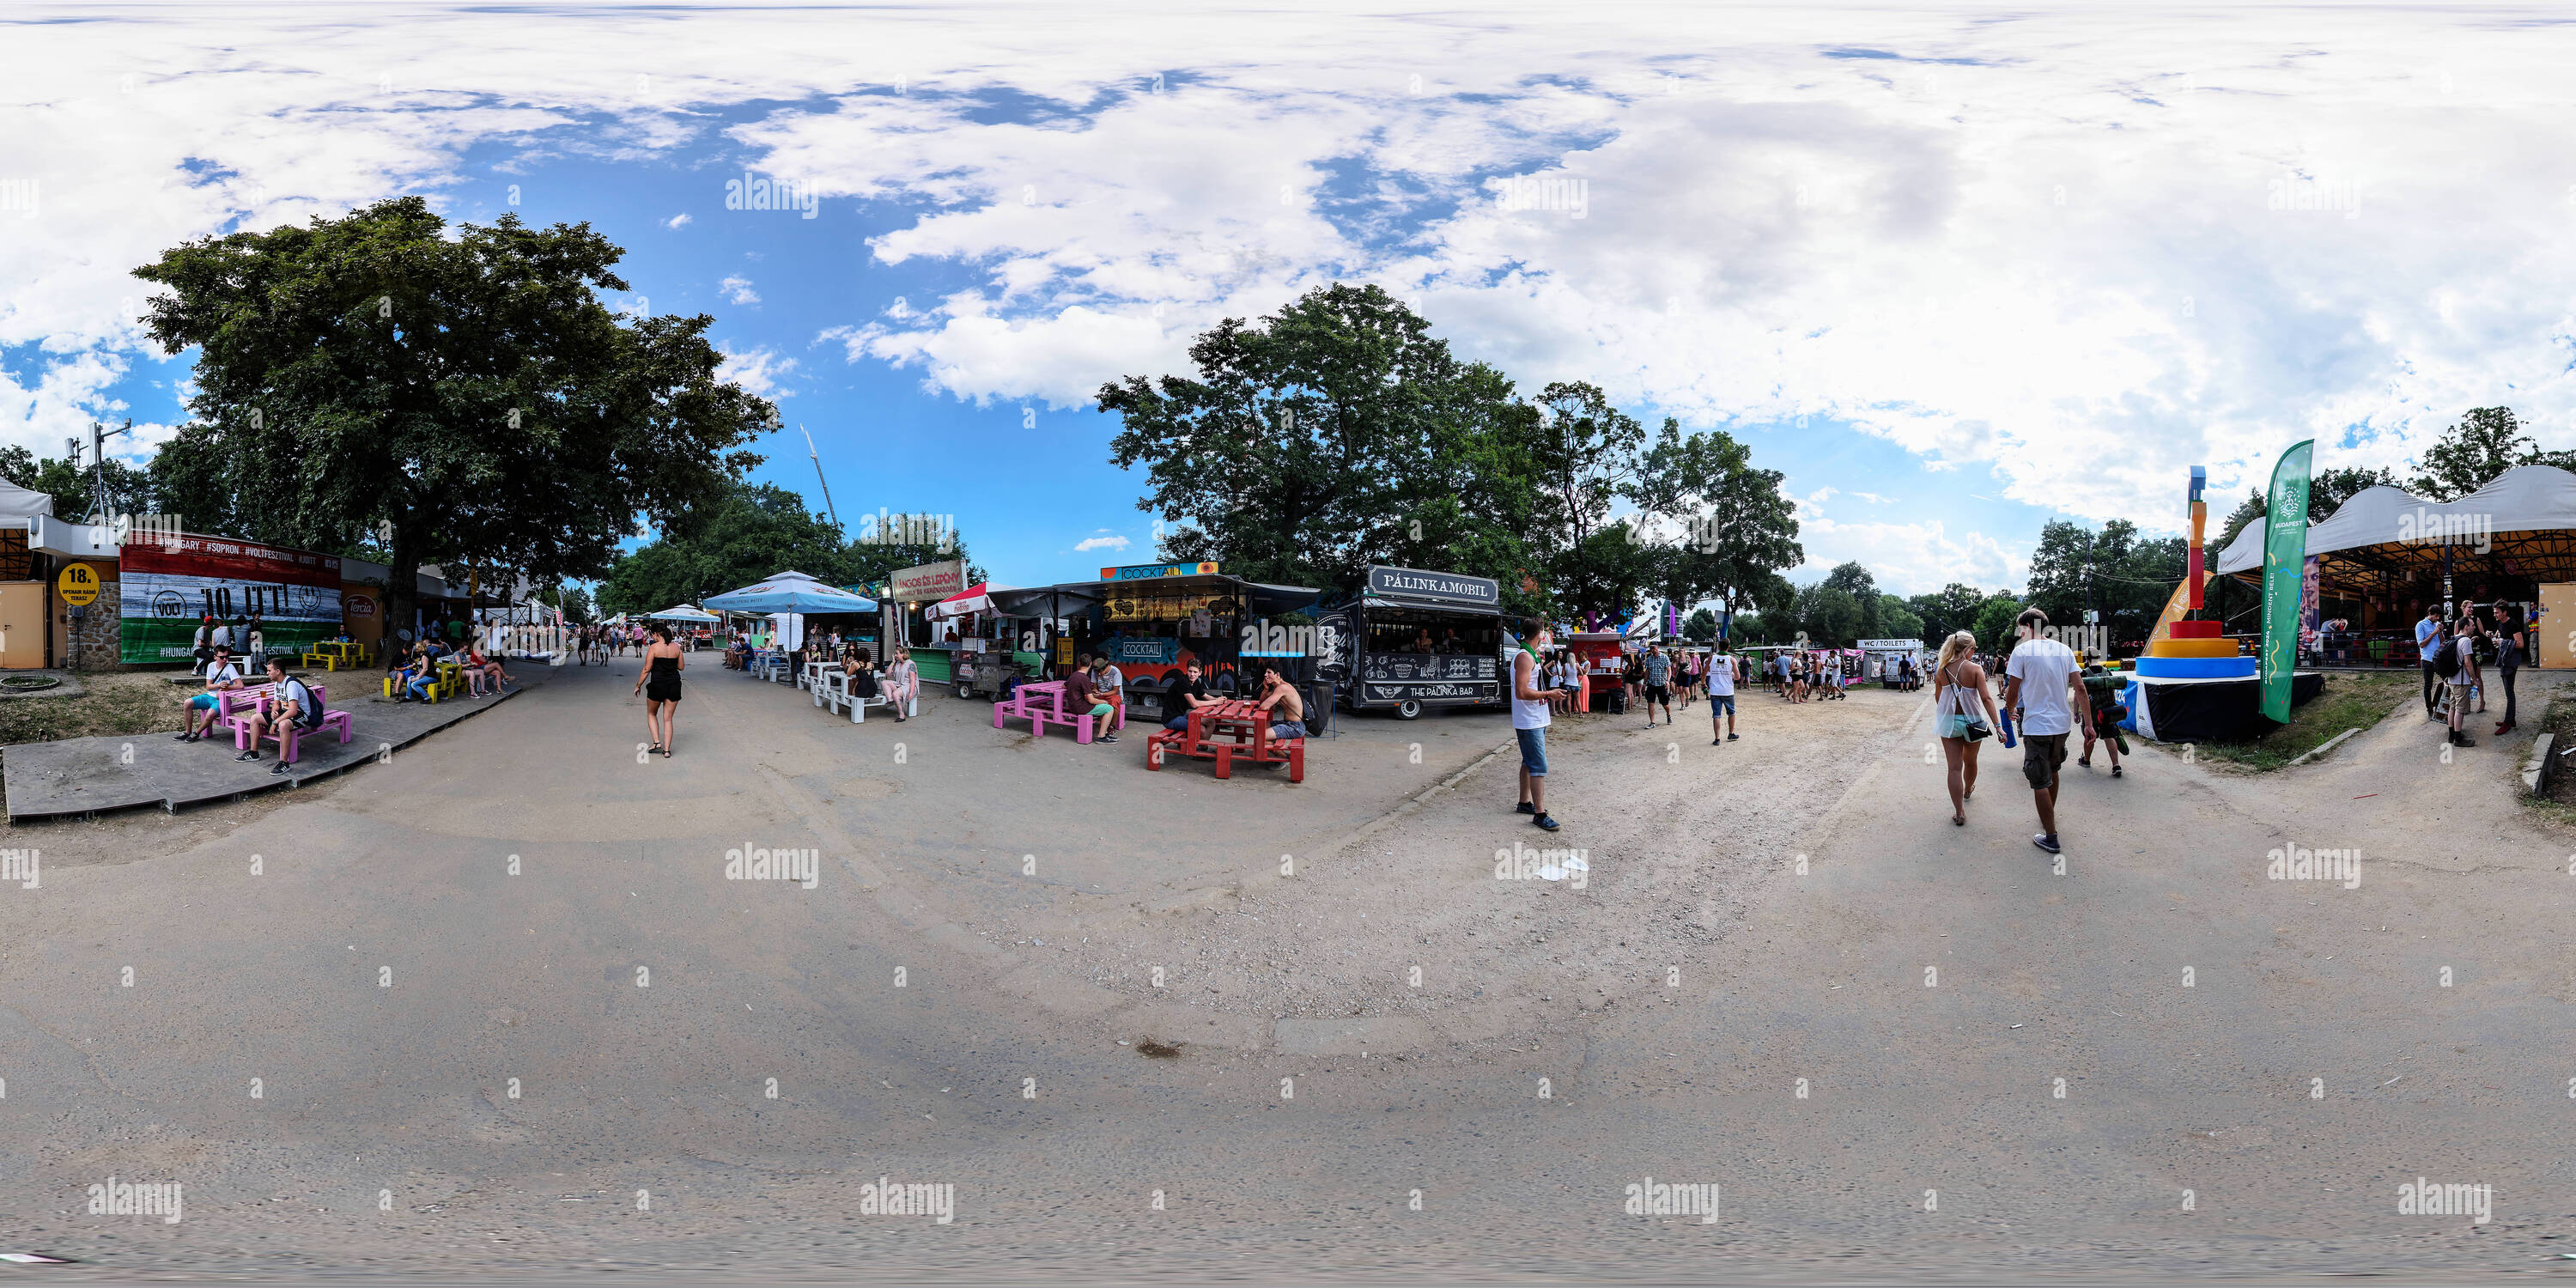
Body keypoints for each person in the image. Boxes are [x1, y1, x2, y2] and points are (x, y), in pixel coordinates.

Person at [2002, 608, 2089, 856]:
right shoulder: (2064, 650)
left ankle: (2051, 837)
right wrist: (2089, 724)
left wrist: (2009, 710)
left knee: (2038, 779)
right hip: (2061, 725)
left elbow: (2013, 689)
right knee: (2053, 769)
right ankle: (2048, 815)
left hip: (2037, 725)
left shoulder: (2021, 651)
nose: (2019, 632)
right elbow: (2080, 688)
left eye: (2021, 628)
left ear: (2029, 626)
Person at [1932, 630, 2000, 826]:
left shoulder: (1941, 669)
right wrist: (1998, 726)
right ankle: (1968, 789)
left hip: (1950, 722)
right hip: (1975, 722)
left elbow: (1939, 699)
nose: (1974, 652)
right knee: (1971, 762)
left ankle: (1959, 812)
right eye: (1974, 649)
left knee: (1954, 768)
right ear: (1968, 649)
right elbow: (1987, 698)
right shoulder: (1975, 669)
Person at [1511, 619, 1561, 831]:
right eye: (1544, 631)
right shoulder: (1524, 657)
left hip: (1536, 719)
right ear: (1539, 633)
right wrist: (1550, 694)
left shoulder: (1530, 655)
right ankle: (1540, 814)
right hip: (1529, 721)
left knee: (1528, 762)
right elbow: (1521, 692)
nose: (1545, 635)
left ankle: (1525, 802)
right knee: (1539, 765)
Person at [234, 658, 324, 774]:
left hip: (302, 715)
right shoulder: (277, 683)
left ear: (278, 671)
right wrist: (274, 711)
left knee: (283, 724)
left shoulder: (291, 684)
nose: (267, 673)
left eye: (269, 670)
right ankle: (253, 753)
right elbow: (276, 703)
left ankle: (284, 763)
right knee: (255, 718)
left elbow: (293, 711)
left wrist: (275, 722)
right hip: (285, 712)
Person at [176, 645, 247, 742]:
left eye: (227, 657)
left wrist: (226, 688)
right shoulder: (211, 666)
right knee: (187, 703)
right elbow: (208, 686)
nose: (225, 659)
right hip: (209, 696)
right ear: (215, 657)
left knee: (210, 714)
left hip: (221, 699)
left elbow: (240, 685)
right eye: (222, 657)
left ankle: (196, 733)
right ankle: (187, 732)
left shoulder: (229, 667)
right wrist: (219, 685)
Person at [634, 623, 683, 758]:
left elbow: (646, 669)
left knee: (651, 713)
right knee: (668, 719)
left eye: (652, 635)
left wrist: (638, 685)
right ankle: (667, 750)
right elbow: (681, 667)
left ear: (656, 633)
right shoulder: (676, 647)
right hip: (674, 684)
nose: (652, 637)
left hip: (657, 684)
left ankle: (657, 742)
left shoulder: (654, 648)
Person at [2075, 663, 2128, 777]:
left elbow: (2078, 693)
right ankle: (2116, 765)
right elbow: (2112, 690)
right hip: (2107, 711)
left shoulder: (2084, 673)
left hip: (2091, 712)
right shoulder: (2107, 672)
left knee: (2089, 736)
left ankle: (2086, 760)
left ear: (2087, 659)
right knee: (2109, 736)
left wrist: (2076, 712)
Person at [1252, 665, 1305, 749]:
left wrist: (1267, 705)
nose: (1265, 675)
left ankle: (1284, 759)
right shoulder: (1277, 687)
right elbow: (1262, 702)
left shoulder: (1282, 687)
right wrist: (1266, 689)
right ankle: (1272, 745)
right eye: (1266, 672)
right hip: (1288, 723)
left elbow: (1264, 707)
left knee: (1260, 735)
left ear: (1277, 675)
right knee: (1257, 727)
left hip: (1295, 727)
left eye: (1269, 672)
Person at [2493, 603, 2525, 736]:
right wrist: (2493, 637)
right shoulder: (2500, 623)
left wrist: (2503, 642)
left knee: (2509, 692)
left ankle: (2508, 722)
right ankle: (2511, 720)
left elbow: (2521, 644)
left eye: (2497, 612)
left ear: (2504, 613)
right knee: (2508, 692)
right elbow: (2499, 636)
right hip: (2504, 661)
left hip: (2511, 662)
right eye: (2494, 612)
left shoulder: (2513, 625)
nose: (2494, 614)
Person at [1163, 659, 1218, 732]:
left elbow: (1205, 696)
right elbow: (1194, 704)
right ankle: (1196, 743)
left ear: (1200, 673)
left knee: (1211, 722)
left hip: (1182, 715)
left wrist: (1218, 700)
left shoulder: (1195, 682)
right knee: (1200, 729)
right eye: (1190, 671)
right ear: (1187, 671)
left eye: (1195, 672)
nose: (1192, 674)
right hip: (1171, 719)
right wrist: (1216, 702)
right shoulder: (1183, 682)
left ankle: (1201, 743)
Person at [1086, 652, 1123, 743]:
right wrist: (1095, 691)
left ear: (1106, 667)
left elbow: (1115, 691)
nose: (1098, 674)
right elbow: (1094, 686)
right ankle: (1103, 729)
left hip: (1114, 695)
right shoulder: (1095, 671)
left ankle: (1112, 727)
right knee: (1090, 701)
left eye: (1100, 672)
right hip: (1101, 694)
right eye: (1097, 672)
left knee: (1113, 703)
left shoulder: (1115, 672)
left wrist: (1102, 695)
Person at [2417, 605, 2445, 720]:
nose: (2437, 618)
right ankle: (2429, 709)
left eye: (2439, 616)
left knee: (2447, 680)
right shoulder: (2420, 625)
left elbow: (2443, 642)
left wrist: (2440, 632)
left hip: (2438, 659)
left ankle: (2439, 704)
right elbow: (2422, 644)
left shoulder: (2436, 625)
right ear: (2430, 613)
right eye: (2436, 616)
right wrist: (2434, 633)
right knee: (2428, 685)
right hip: (2427, 659)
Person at [1705, 647, 1738, 744]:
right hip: (1727, 691)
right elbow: (1737, 676)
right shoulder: (1732, 659)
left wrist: (1703, 684)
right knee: (1731, 712)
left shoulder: (1711, 658)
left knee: (1716, 715)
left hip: (1715, 691)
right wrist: (1730, 675)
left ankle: (1717, 739)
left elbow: (1704, 673)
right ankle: (1731, 733)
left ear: (1719, 647)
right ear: (1728, 647)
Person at [1639, 643, 1674, 727]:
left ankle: (1668, 715)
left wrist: (1668, 681)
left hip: (1662, 684)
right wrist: (1644, 683)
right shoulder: (1649, 659)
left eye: (1654, 648)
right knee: (1650, 703)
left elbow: (1669, 670)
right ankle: (1652, 722)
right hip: (1651, 684)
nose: (1652, 650)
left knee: (1664, 703)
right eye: (1651, 648)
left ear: (1657, 648)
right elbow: (1647, 672)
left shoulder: (1664, 657)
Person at [885, 646, 920, 722]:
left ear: (903, 654)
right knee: (884, 682)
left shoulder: (910, 664)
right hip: (900, 684)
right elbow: (888, 674)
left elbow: (913, 679)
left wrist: (911, 693)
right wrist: (892, 662)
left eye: (897, 654)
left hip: (909, 685)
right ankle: (891, 700)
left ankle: (902, 715)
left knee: (895, 694)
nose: (895, 655)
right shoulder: (897, 664)